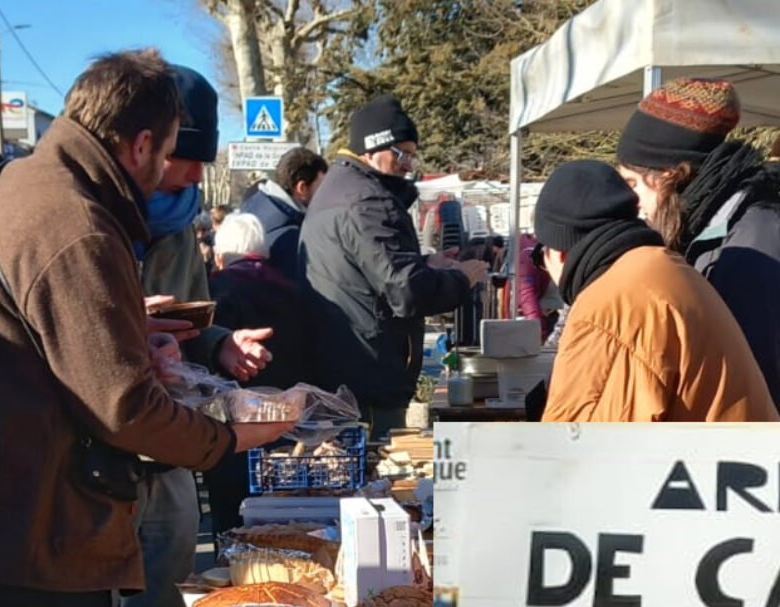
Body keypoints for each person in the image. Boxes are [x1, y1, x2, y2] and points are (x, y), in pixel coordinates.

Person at [0, 50, 291, 607]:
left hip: (20, 510)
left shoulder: (21, 184)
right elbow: (119, 406)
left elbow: (48, 345)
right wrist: (231, 437)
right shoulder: (75, 221)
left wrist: (136, 333)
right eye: (169, 154)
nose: (168, 178)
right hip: (42, 527)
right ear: (141, 142)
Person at [120, 65, 276, 607]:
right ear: (150, 146)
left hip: (167, 446)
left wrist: (218, 344)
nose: (197, 179)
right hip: (93, 458)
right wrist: (131, 326)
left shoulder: (181, 222)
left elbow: (188, 318)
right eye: (188, 161)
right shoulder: (91, 219)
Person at [299, 94, 488, 437]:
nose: (409, 165)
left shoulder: (340, 189)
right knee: (376, 475)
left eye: (413, 155)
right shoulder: (368, 200)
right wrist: (461, 279)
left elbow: (369, 270)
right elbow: (406, 290)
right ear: (371, 150)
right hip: (368, 373)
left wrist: (427, 263)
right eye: (401, 153)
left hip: (346, 364)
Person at [533, 160, 778, 422]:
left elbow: (588, 444)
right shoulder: (664, 269)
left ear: (559, 253)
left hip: (709, 459)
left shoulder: (613, 304)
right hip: (730, 456)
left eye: (540, 257)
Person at [616, 77, 780, 411]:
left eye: (634, 182)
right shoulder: (712, 229)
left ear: (670, 175)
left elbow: (757, 375)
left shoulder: (755, 237)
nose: (633, 201)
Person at [206, 212, 313, 531]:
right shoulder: (293, 287)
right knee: (279, 518)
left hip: (233, 424)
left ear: (221, 255)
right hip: (285, 417)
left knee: (230, 519)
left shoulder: (217, 289)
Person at [241, 146, 327, 281]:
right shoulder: (292, 239)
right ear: (302, 188)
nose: (325, 194)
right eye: (321, 187)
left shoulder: (252, 211)